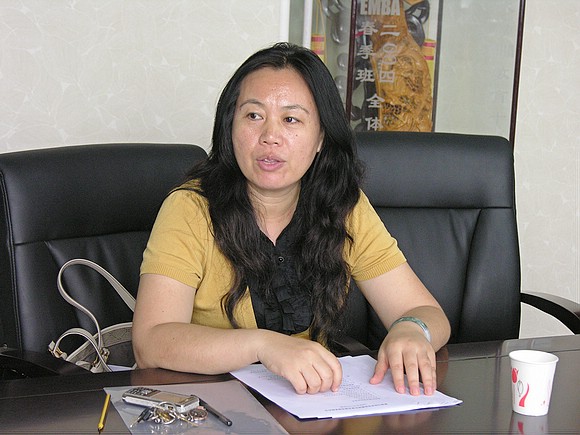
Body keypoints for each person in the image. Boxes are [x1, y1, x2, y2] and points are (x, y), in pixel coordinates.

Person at [132, 42, 450, 397]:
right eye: (254, 116)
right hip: (210, 406)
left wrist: (412, 329)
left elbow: (425, 311)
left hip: (313, 404)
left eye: (291, 119)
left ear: (321, 138)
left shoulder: (341, 204)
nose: (270, 137)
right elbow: (151, 342)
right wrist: (262, 345)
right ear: (230, 127)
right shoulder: (192, 208)